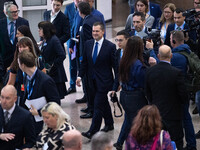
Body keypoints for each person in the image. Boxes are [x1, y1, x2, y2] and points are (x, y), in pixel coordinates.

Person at [76, 22, 116, 138]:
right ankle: (109, 123)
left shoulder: (110, 46)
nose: (94, 33)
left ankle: (92, 131)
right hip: (91, 81)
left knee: (97, 105)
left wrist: (116, 84)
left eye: (97, 31)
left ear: (103, 31)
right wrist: (79, 77)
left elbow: (115, 67)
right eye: (93, 31)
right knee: (103, 103)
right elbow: (84, 63)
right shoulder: (88, 44)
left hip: (104, 82)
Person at [145, 45, 188, 150]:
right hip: (173, 113)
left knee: (157, 141)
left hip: (157, 112)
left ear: (158, 56)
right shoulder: (177, 73)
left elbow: (148, 92)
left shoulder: (150, 71)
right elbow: (183, 94)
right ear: (171, 55)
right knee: (177, 141)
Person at [112, 36, 148, 150]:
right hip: (136, 98)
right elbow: (143, 82)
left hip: (124, 95)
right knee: (138, 125)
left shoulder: (124, 60)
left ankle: (119, 142)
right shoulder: (138, 64)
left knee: (128, 119)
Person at [18, 50, 60, 135]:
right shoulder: (26, 77)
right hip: (32, 118)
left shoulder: (46, 80)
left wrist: (39, 112)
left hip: (44, 120)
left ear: (22, 65)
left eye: (18, 63)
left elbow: (56, 102)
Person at [77, 2, 101, 119]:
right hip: (92, 57)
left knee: (88, 85)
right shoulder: (93, 18)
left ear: (80, 11)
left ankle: (91, 109)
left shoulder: (86, 23)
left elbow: (88, 43)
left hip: (88, 58)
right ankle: (89, 106)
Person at [38, 21, 68, 99]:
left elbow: (62, 55)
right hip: (49, 73)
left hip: (55, 73)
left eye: (40, 29)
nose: (38, 31)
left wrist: (52, 66)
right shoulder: (45, 40)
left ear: (46, 30)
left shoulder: (54, 40)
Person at [0, 85, 36, 149]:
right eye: (2, 97)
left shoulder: (25, 116)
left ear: (15, 99)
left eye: (7, 98)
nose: (4, 101)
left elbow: (31, 141)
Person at [0, 3, 29, 75]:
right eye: (13, 12)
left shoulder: (24, 22)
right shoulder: (1, 24)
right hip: (4, 62)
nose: (16, 13)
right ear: (6, 13)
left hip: (20, 61)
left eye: (17, 11)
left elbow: (27, 40)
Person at [64, 0, 80, 95]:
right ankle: (72, 85)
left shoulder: (84, 7)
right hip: (71, 39)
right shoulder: (69, 8)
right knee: (72, 63)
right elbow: (66, 25)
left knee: (82, 62)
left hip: (81, 39)